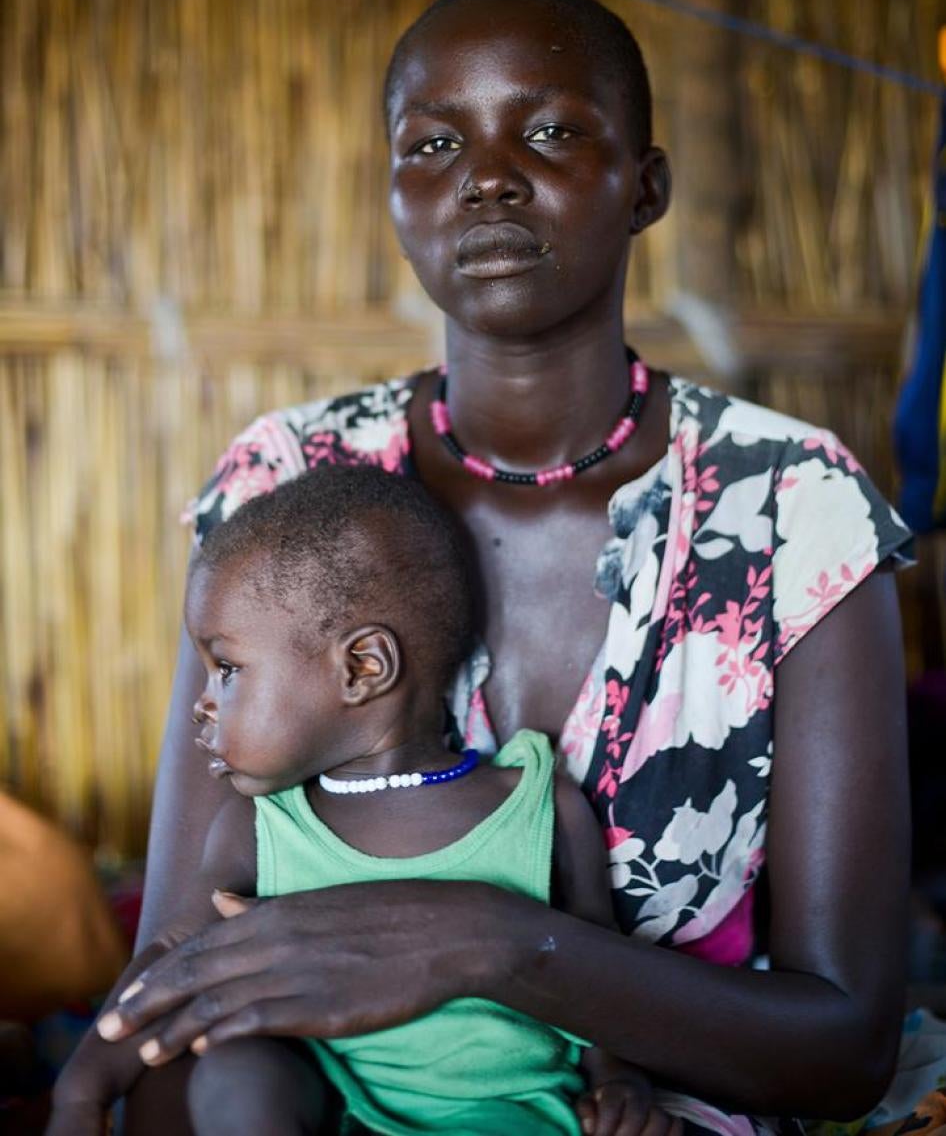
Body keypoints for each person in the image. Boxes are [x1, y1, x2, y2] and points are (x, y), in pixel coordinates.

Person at [57, 0, 914, 1134]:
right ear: (396, 193)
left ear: (645, 185)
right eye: (435, 142)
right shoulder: (291, 480)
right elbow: (183, 979)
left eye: (552, 130)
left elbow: (843, 1047)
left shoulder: (789, 507)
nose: (489, 175)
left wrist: (491, 941)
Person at [50, 464, 665, 1135]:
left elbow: (600, 969)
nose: (200, 704)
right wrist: (80, 1090)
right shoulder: (260, 829)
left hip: (515, 1117)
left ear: (363, 667)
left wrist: (618, 1078)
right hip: (338, 1111)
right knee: (238, 1065)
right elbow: (176, 963)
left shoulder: (537, 806)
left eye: (226, 668)